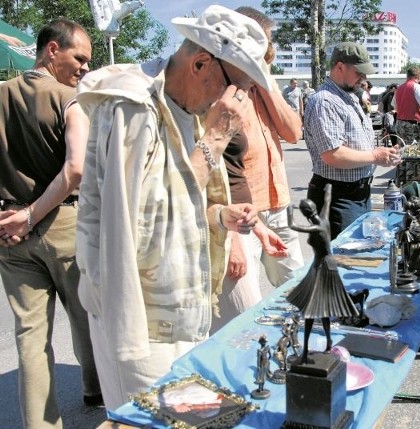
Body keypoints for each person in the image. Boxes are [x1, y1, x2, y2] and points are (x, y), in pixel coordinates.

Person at [75, 5, 270, 409]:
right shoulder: (131, 108)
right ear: (202, 63)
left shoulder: (185, 107)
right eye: (240, 88)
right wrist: (216, 137)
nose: (242, 102)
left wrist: (219, 216)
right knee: (149, 414)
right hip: (139, 318)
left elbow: (179, 203)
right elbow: (139, 223)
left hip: (175, 305)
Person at [0, 19, 101, 429]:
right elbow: (75, 170)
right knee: (87, 315)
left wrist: (14, 216)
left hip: (10, 232)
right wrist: (32, 215)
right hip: (62, 224)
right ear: (52, 50)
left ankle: (40, 425)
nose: (84, 68)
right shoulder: (70, 99)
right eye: (79, 58)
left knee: (29, 338)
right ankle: (97, 391)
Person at [212, 6, 302, 333]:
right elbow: (214, 169)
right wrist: (233, 236)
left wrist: (266, 83)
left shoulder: (263, 85)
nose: (269, 53)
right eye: (262, 47)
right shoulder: (220, 91)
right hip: (241, 216)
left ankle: (295, 356)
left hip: (278, 204)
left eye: (267, 48)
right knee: (241, 312)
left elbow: (294, 132)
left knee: (298, 290)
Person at [304, 41, 400, 239]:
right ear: (340, 67)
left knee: (355, 257)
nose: (364, 78)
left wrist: (382, 155)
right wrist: (374, 156)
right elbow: (333, 154)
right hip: (338, 197)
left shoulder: (348, 96)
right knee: (342, 262)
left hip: (354, 194)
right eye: (359, 72)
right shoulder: (325, 101)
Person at [286, 187, 359, 364]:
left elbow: (293, 226)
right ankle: (328, 342)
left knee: (312, 310)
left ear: (305, 213)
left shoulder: (316, 227)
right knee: (322, 308)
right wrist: (328, 188)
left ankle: (306, 352)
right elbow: (327, 201)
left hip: (323, 268)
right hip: (322, 265)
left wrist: (289, 212)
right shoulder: (324, 219)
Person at [392, 66, 420, 144]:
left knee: (402, 149)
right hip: (412, 125)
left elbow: (395, 106)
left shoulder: (399, 89)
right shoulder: (417, 87)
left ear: (407, 76)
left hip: (400, 123)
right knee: (413, 151)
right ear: (418, 76)